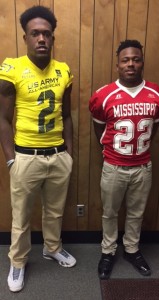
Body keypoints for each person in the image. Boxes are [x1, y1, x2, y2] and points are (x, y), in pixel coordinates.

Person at [0, 5, 76, 292]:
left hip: (57, 154)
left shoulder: (63, 71)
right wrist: (11, 160)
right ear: (25, 38)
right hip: (26, 156)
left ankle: (51, 247)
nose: (41, 38)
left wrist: (67, 152)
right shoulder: (12, 68)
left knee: (54, 211)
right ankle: (18, 261)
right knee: (20, 217)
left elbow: (66, 114)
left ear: (53, 38)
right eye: (35, 34)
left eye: (46, 33)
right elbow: (3, 119)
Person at [89, 39, 159, 280]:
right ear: (118, 64)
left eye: (136, 59)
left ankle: (131, 249)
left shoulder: (155, 94)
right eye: (125, 60)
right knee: (109, 212)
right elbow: (99, 128)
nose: (131, 64)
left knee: (136, 213)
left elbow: (153, 128)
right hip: (114, 166)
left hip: (142, 166)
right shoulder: (104, 95)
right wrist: (109, 151)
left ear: (142, 62)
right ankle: (108, 251)